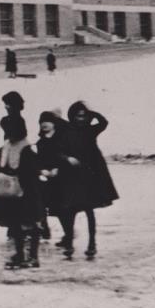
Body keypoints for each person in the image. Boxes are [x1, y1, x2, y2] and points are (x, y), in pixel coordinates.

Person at [61, 101, 118, 259]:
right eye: (78, 116)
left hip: (89, 175)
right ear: (72, 116)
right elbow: (59, 150)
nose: (81, 119)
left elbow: (104, 122)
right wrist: (68, 158)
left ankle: (92, 243)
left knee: (88, 210)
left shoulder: (91, 130)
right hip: (73, 174)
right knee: (71, 210)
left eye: (84, 116)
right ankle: (69, 244)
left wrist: (91, 113)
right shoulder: (67, 130)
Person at [0, 116, 44, 270]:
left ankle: (33, 257)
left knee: (30, 224)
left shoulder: (27, 148)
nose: (7, 133)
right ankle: (20, 254)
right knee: (15, 224)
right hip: (12, 192)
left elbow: (32, 171)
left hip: (27, 192)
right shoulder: (7, 146)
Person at [35, 111, 88, 259]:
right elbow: (38, 160)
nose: (44, 124)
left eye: (48, 121)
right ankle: (57, 234)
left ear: (54, 124)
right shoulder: (40, 142)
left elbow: (64, 155)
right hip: (47, 178)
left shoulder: (62, 139)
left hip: (62, 179)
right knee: (50, 208)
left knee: (63, 210)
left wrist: (58, 168)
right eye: (42, 121)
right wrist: (43, 171)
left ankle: (68, 236)